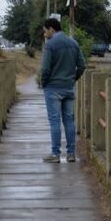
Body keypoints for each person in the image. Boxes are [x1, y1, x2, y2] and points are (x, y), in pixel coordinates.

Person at [37, 17, 86, 163]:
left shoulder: (50, 45)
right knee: (69, 121)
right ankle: (71, 154)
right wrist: (72, 79)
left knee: (54, 121)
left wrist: (43, 83)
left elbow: (45, 69)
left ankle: (55, 154)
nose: (45, 35)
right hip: (68, 88)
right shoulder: (73, 43)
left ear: (52, 29)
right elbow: (82, 66)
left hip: (53, 88)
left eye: (45, 31)